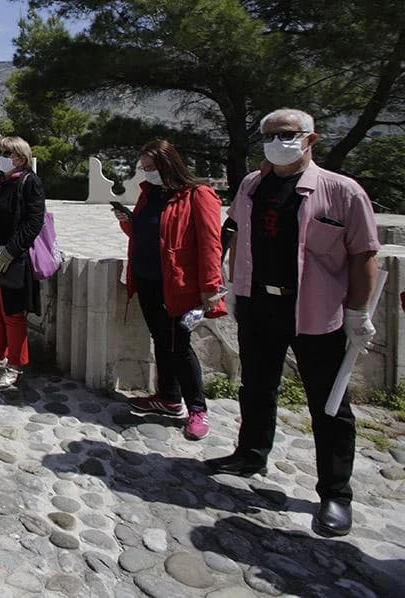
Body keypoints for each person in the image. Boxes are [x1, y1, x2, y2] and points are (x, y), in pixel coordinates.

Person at [206, 109, 379, 538]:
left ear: (309, 138)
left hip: (316, 312)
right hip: (259, 303)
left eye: (285, 134)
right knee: (257, 385)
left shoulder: (342, 191)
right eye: (268, 135)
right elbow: (238, 234)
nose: (276, 141)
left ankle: (335, 493)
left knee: (329, 403)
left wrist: (358, 313)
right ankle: (251, 452)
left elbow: (364, 254)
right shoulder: (252, 184)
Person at [113, 139, 224, 440]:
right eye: (143, 168)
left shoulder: (197, 195)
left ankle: (197, 408)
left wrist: (210, 287)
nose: (146, 173)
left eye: (151, 167)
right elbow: (145, 231)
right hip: (147, 279)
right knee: (161, 339)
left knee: (179, 345)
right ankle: (169, 397)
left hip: (177, 285)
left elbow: (210, 243)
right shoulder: (150, 194)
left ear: (168, 164)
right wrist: (128, 222)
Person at [0, 136, 45, 389]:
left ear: (20, 158)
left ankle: (15, 364)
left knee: (12, 314)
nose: (0, 156)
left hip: (12, 260)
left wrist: (11, 252)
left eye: (6, 152)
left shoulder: (29, 183)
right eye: (0, 151)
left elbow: (33, 222)